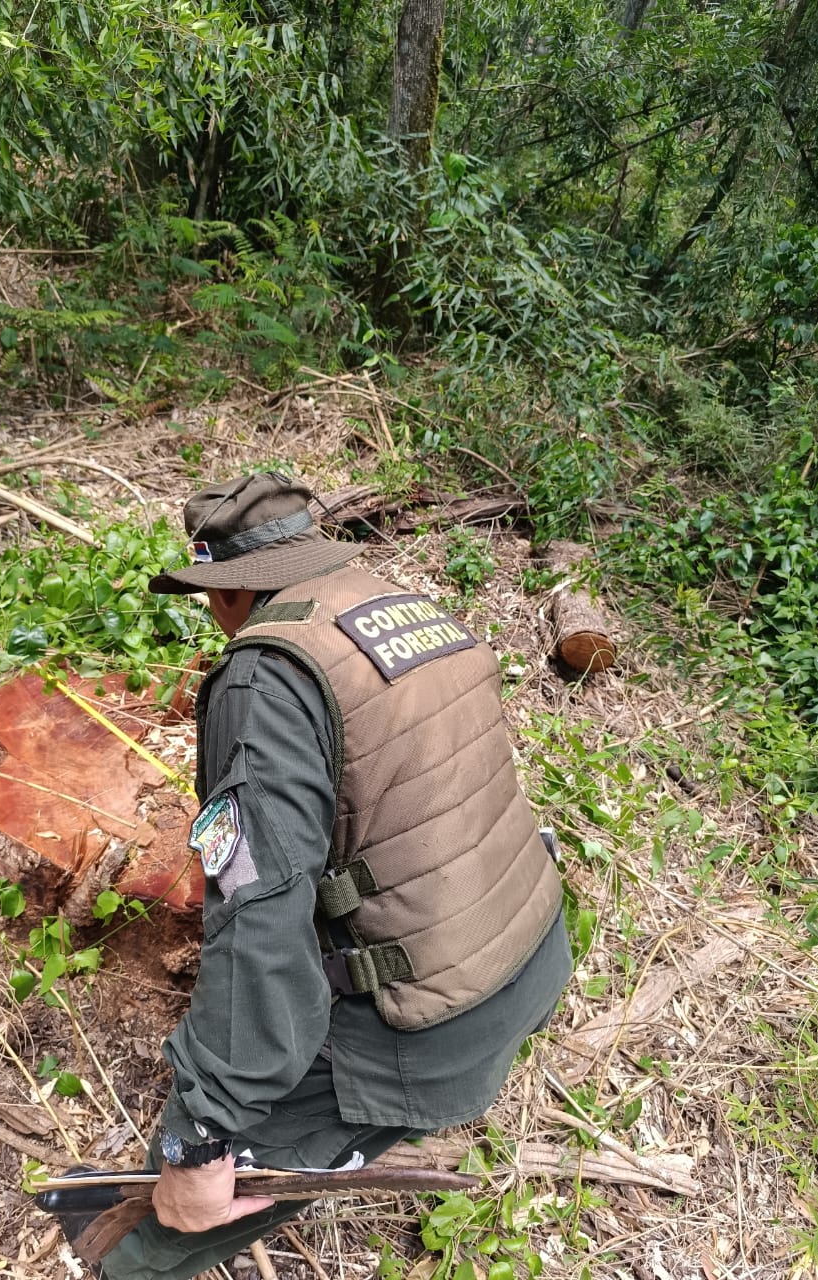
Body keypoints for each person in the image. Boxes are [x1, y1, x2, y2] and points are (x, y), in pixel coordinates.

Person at [97, 471, 573, 1280]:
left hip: (433, 1031)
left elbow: (257, 921)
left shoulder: (265, 676)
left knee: (181, 1196)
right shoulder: (401, 606)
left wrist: (199, 1138)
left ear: (226, 591)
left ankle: (136, 1264)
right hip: (529, 958)